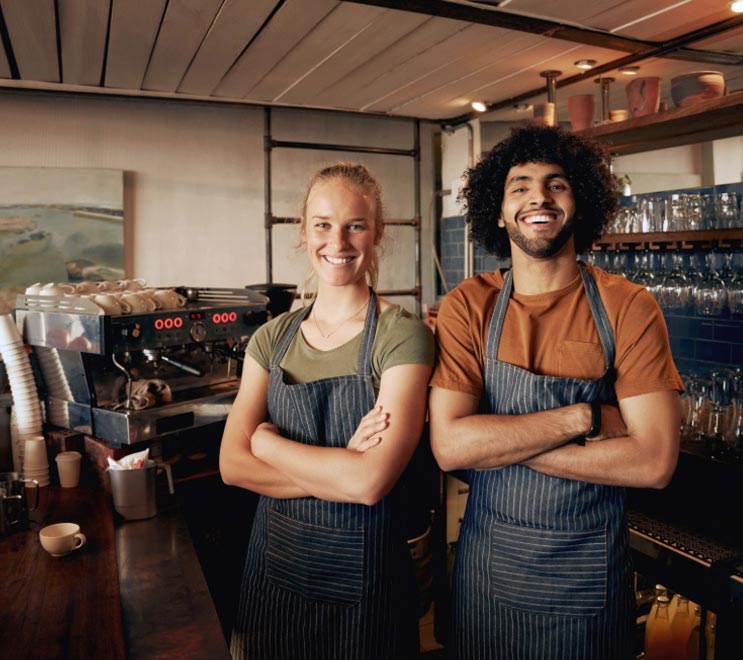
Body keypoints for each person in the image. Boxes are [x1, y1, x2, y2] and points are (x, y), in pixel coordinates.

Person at [428, 124, 683, 660]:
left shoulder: (628, 307)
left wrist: (502, 444)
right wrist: (584, 417)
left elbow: (654, 462)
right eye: (519, 186)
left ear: (582, 203)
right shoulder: (468, 306)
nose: (538, 197)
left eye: (556, 184)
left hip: (586, 578)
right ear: (497, 212)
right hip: (487, 575)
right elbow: (450, 447)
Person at [220, 163, 435, 660]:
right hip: (273, 575)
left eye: (355, 225)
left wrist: (267, 444)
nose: (337, 240)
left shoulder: (402, 336)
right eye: (322, 223)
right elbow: (232, 467)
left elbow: (369, 484)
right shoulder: (271, 339)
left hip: (365, 591)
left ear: (377, 233)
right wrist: (341, 466)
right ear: (304, 230)